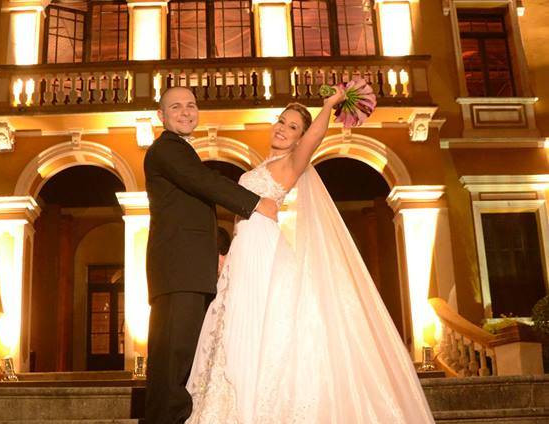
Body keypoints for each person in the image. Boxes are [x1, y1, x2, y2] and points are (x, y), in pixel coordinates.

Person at [186, 90, 436, 423]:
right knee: (235, 324)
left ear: (299, 138)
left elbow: (316, 136)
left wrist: (330, 105)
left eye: (291, 128)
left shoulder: (291, 162)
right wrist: (228, 257)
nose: (281, 129)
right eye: (281, 122)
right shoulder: (264, 164)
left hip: (262, 249)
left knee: (257, 324)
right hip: (244, 248)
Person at [143, 86, 279, 424]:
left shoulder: (180, 149)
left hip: (190, 270)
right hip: (178, 270)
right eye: (176, 107)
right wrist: (255, 202)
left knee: (183, 360)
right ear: (161, 116)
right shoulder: (166, 150)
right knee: (172, 362)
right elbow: (204, 181)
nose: (186, 112)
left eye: (191, 105)